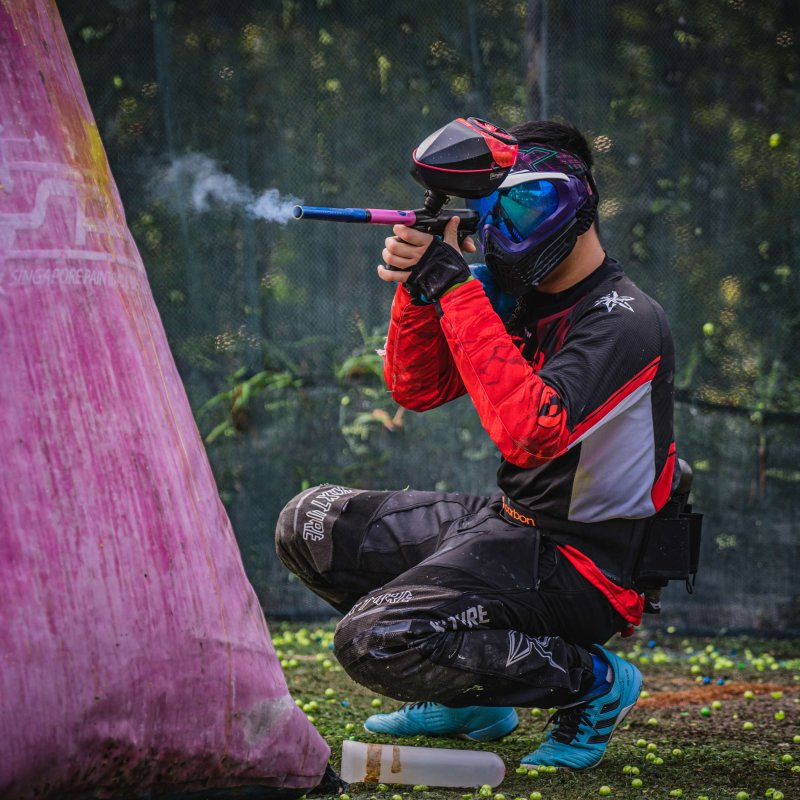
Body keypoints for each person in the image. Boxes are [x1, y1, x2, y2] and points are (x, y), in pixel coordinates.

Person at [275, 119, 682, 770]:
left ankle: (595, 682)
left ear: (571, 204)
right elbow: (418, 386)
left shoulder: (625, 319)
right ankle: (473, 702)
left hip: (587, 567)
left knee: (375, 640)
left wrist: (457, 288)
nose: (500, 229)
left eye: (521, 206)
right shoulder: (516, 295)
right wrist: (419, 289)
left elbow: (529, 431)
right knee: (310, 524)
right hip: (510, 527)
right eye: (493, 210)